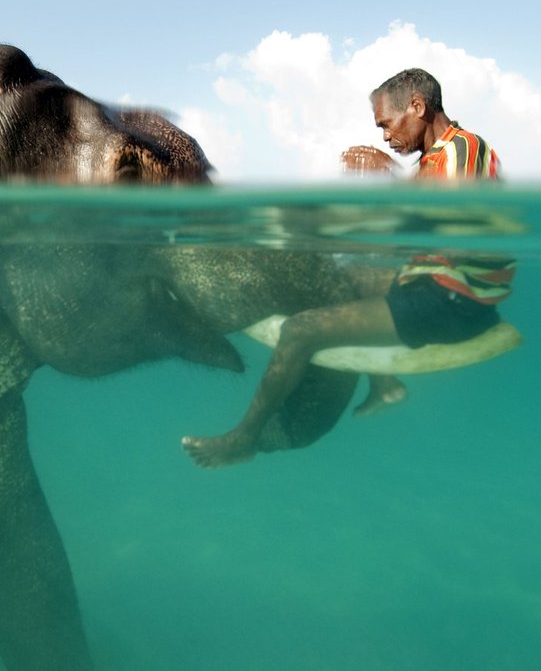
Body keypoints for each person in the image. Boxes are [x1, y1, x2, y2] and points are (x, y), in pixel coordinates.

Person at [182, 68, 512, 468]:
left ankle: (242, 439)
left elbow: (453, 239)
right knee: (342, 273)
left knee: (299, 331)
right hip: (434, 285)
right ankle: (385, 384)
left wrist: (388, 181)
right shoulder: (437, 158)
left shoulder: (463, 149)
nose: (385, 137)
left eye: (386, 125)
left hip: (453, 301)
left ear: (418, 107)